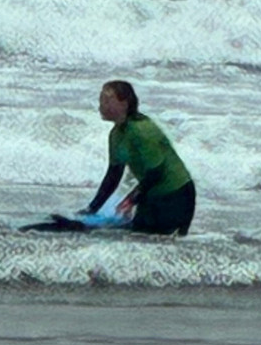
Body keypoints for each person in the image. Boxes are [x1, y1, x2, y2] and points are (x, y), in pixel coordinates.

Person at [81, 80, 195, 236]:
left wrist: (129, 200)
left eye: (107, 100)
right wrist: (91, 209)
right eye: (100, 100)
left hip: (176, 195)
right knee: (136, 238)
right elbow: (113, 176)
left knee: (163, 244)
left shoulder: (142, 129)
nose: (101, 105)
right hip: (151, 195)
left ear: (124, 103)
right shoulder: (116, 135)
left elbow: (156, 172)